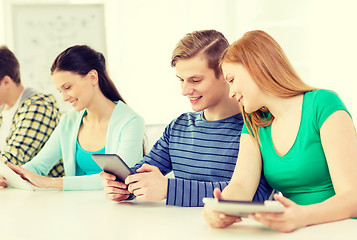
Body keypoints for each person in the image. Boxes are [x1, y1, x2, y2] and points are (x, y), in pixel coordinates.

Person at [204, 30, 357, 232]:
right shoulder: (254, 122)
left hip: (341, 228)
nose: (231, 94)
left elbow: (352, 196)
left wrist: (302, 216)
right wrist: (221, 207)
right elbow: (241, 184)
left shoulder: (323, 104)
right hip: (293, 229)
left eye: (231, 80)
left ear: (255, 67)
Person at [100, 30, 273, 206]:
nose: (184, 90)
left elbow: (256, 195)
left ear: (224, 73)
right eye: (181, 80)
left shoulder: (257, 126)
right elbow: (141, 174)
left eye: (195, 80)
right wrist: (123, 187)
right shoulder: (179, 126)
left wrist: (169, 189)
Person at [0, 45, 145, 190]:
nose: (64, 98)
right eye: (60, 91)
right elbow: (38, 166)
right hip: (75, 207)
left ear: (93, 77)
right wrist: (11, 176)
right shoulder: (69, 121)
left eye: (68, 87)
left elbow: (120, 179)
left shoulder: (131, 122)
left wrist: (51, 182)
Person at [0, 46, 63, 178]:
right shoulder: (3, 110)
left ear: (6, 82)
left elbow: (13, 158)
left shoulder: (39, 106)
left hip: (48, 193)